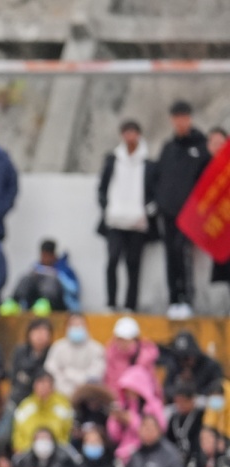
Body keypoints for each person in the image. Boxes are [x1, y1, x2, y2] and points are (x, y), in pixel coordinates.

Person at [154, 100, 211, 319]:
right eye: (176, 118)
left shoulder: (201, 147)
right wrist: (159, 202)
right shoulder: (168, 148)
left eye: (184, 117)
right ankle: (173, 300)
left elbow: (207, 181)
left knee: (184, 253)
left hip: (189, 214)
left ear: (190, 119)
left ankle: (187, 299)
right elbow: (159, 176)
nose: (180, 122)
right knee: (170, 255)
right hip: (168, 212)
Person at [99, 119, 155, 311]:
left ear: (139, 135)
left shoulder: (148, 163)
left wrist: (148, 209)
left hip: (137, 222)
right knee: (112, 260)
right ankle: (111, 303)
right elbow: (102, 187)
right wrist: (106, 206)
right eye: (126, 132)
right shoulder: (112, 159)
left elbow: (152, 189)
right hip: (115, 220)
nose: (129, 136)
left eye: (133, 132)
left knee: (133, 264)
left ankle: (131, 305)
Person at [8, 239, 79, 313]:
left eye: (48, 256)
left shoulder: (63, 269)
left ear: (53, 255)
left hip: (56, 304)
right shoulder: (35, 267)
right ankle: (14, 302)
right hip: (35, 303)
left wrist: (57, 275)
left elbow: (73, 289)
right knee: (26, 278)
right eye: (43, 256)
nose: (45, 259)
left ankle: (45, 303)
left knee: (50, 280)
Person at [44, 313, 105, 399]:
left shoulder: (97, 348)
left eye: (80, 325)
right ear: (66, 327)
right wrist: (66, 389)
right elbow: (51, 370)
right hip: (61, 394)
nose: (77, 328)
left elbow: (96, 373)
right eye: (73, 325)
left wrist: (69, 373)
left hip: (88, 395)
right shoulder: (57, 347)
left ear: (86, 327)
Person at [12, 371, 74, 454]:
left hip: (57, 453)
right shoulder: (25, 407)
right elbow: (17, 436)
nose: (43, 387)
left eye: (46, 383)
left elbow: (68, 433)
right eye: (40, 383)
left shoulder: (63, 405)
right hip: (29, 454)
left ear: (52, 386)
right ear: (34, 385)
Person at [163, 330, 225, 402]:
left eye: (186, 358)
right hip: (180, 406)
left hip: (206, 404)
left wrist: (193, 394)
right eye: (179, 358)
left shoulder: (211, 366)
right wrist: (181, 387)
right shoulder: (175, 366)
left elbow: (218, 389)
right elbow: (167, 388)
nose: (183, 362)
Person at [104, 315, 159, 394]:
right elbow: (108, 382)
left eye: (126, 340)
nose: (122, 343)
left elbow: (152, 383)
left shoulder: (145, 358)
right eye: (119, 339)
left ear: (135, 339)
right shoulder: (110, 355)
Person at [11, 426, 78, 467]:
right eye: (40, 438)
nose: (43, 441)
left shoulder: (64, 458)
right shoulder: (25, 459)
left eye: (46, 438)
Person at [9, 318, 53, 407]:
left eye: (44, 332)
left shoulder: (53, 352)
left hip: (44, 397)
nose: (40, 335)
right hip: (20, 396)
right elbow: (13, 376)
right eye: (37, 331)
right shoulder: (20, 351)